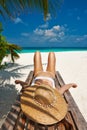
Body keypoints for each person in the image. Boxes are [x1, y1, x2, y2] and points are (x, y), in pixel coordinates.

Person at [15, 51, 77, 126]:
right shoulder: (54, 94)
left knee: (37, 53)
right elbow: (63, 88)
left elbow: (25, 86)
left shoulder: (32, 91)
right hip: (50, 75)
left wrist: (19, 82)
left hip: (38, 74)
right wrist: (71, 84)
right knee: (52, 53)